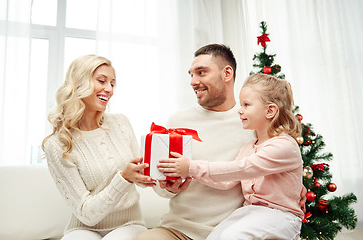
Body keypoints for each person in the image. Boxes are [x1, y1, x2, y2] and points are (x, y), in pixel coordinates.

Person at [134, 44, 306, 240]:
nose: (193, 81)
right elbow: (166, 184)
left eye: (201, 72)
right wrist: (166, 186)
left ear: (227, 73)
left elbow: (258, 166)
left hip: (236, 224)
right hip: (179, 228)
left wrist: (294, 189)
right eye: (191, 75)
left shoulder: (253, 124)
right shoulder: (178, 123)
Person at [42, 54, 155, 240]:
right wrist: (124, 178)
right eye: (102, 81)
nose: (109, 89)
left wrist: (163, 181)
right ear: (79, 83)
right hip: (83, 227)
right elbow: (86, 213)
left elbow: (144, 174)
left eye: (112, 84)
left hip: (129, 225)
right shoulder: (57, 144)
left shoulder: (120, 123)